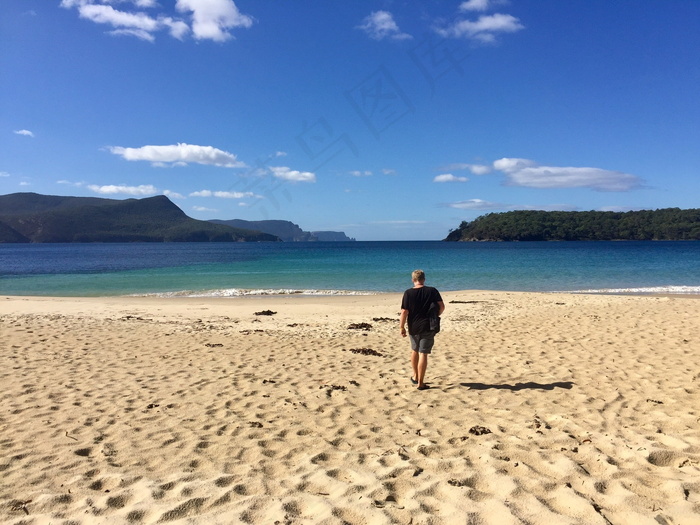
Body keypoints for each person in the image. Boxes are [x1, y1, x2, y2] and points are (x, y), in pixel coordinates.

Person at [399, 269, 444, 390]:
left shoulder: (408, 293)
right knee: (423, 353)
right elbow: (442, 306)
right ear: (424, 279)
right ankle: (421, 383)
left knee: (415, 350)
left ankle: (415, 376)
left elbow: (404, 312)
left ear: (413, 280)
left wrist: (401, 326)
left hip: (414, 326)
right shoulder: (432, 291)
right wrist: (437, 315)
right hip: (429, 325)